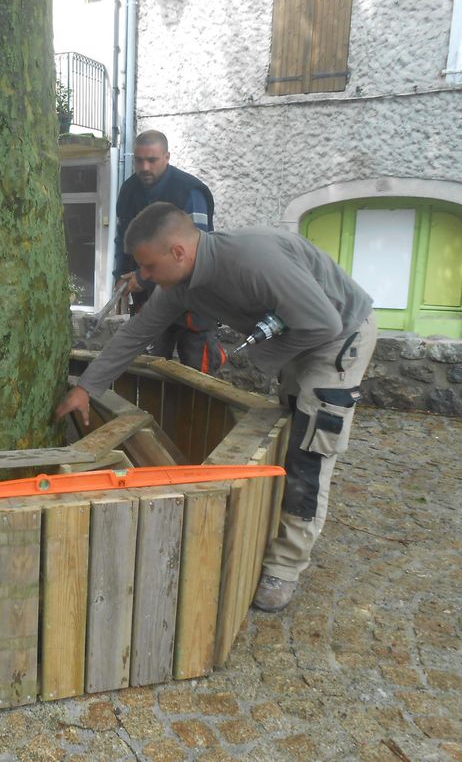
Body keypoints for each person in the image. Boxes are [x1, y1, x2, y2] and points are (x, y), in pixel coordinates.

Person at [57, 202, 377, 613]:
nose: (146, 277)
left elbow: (325, 325)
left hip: (339, 334)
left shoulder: (251, 261)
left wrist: (265, 358)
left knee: (309, 447)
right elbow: (137, 333)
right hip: (303, 329)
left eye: (149, 267)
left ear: (178, 252)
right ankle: (276, 529)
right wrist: (87, 387)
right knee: (292, 422)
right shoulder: (183, 285)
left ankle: (285, 566)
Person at [114, 130, 226, 374]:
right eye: (139, 160)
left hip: (193, 300)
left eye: (151, 160)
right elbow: (123, 240)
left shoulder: (190, 192)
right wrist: (120, 275)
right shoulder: (128, 191)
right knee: (150, 373)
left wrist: (142, 277)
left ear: (167, 157)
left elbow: (194, 253)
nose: (144, 167)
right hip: (152, 301)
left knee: (199, 379)